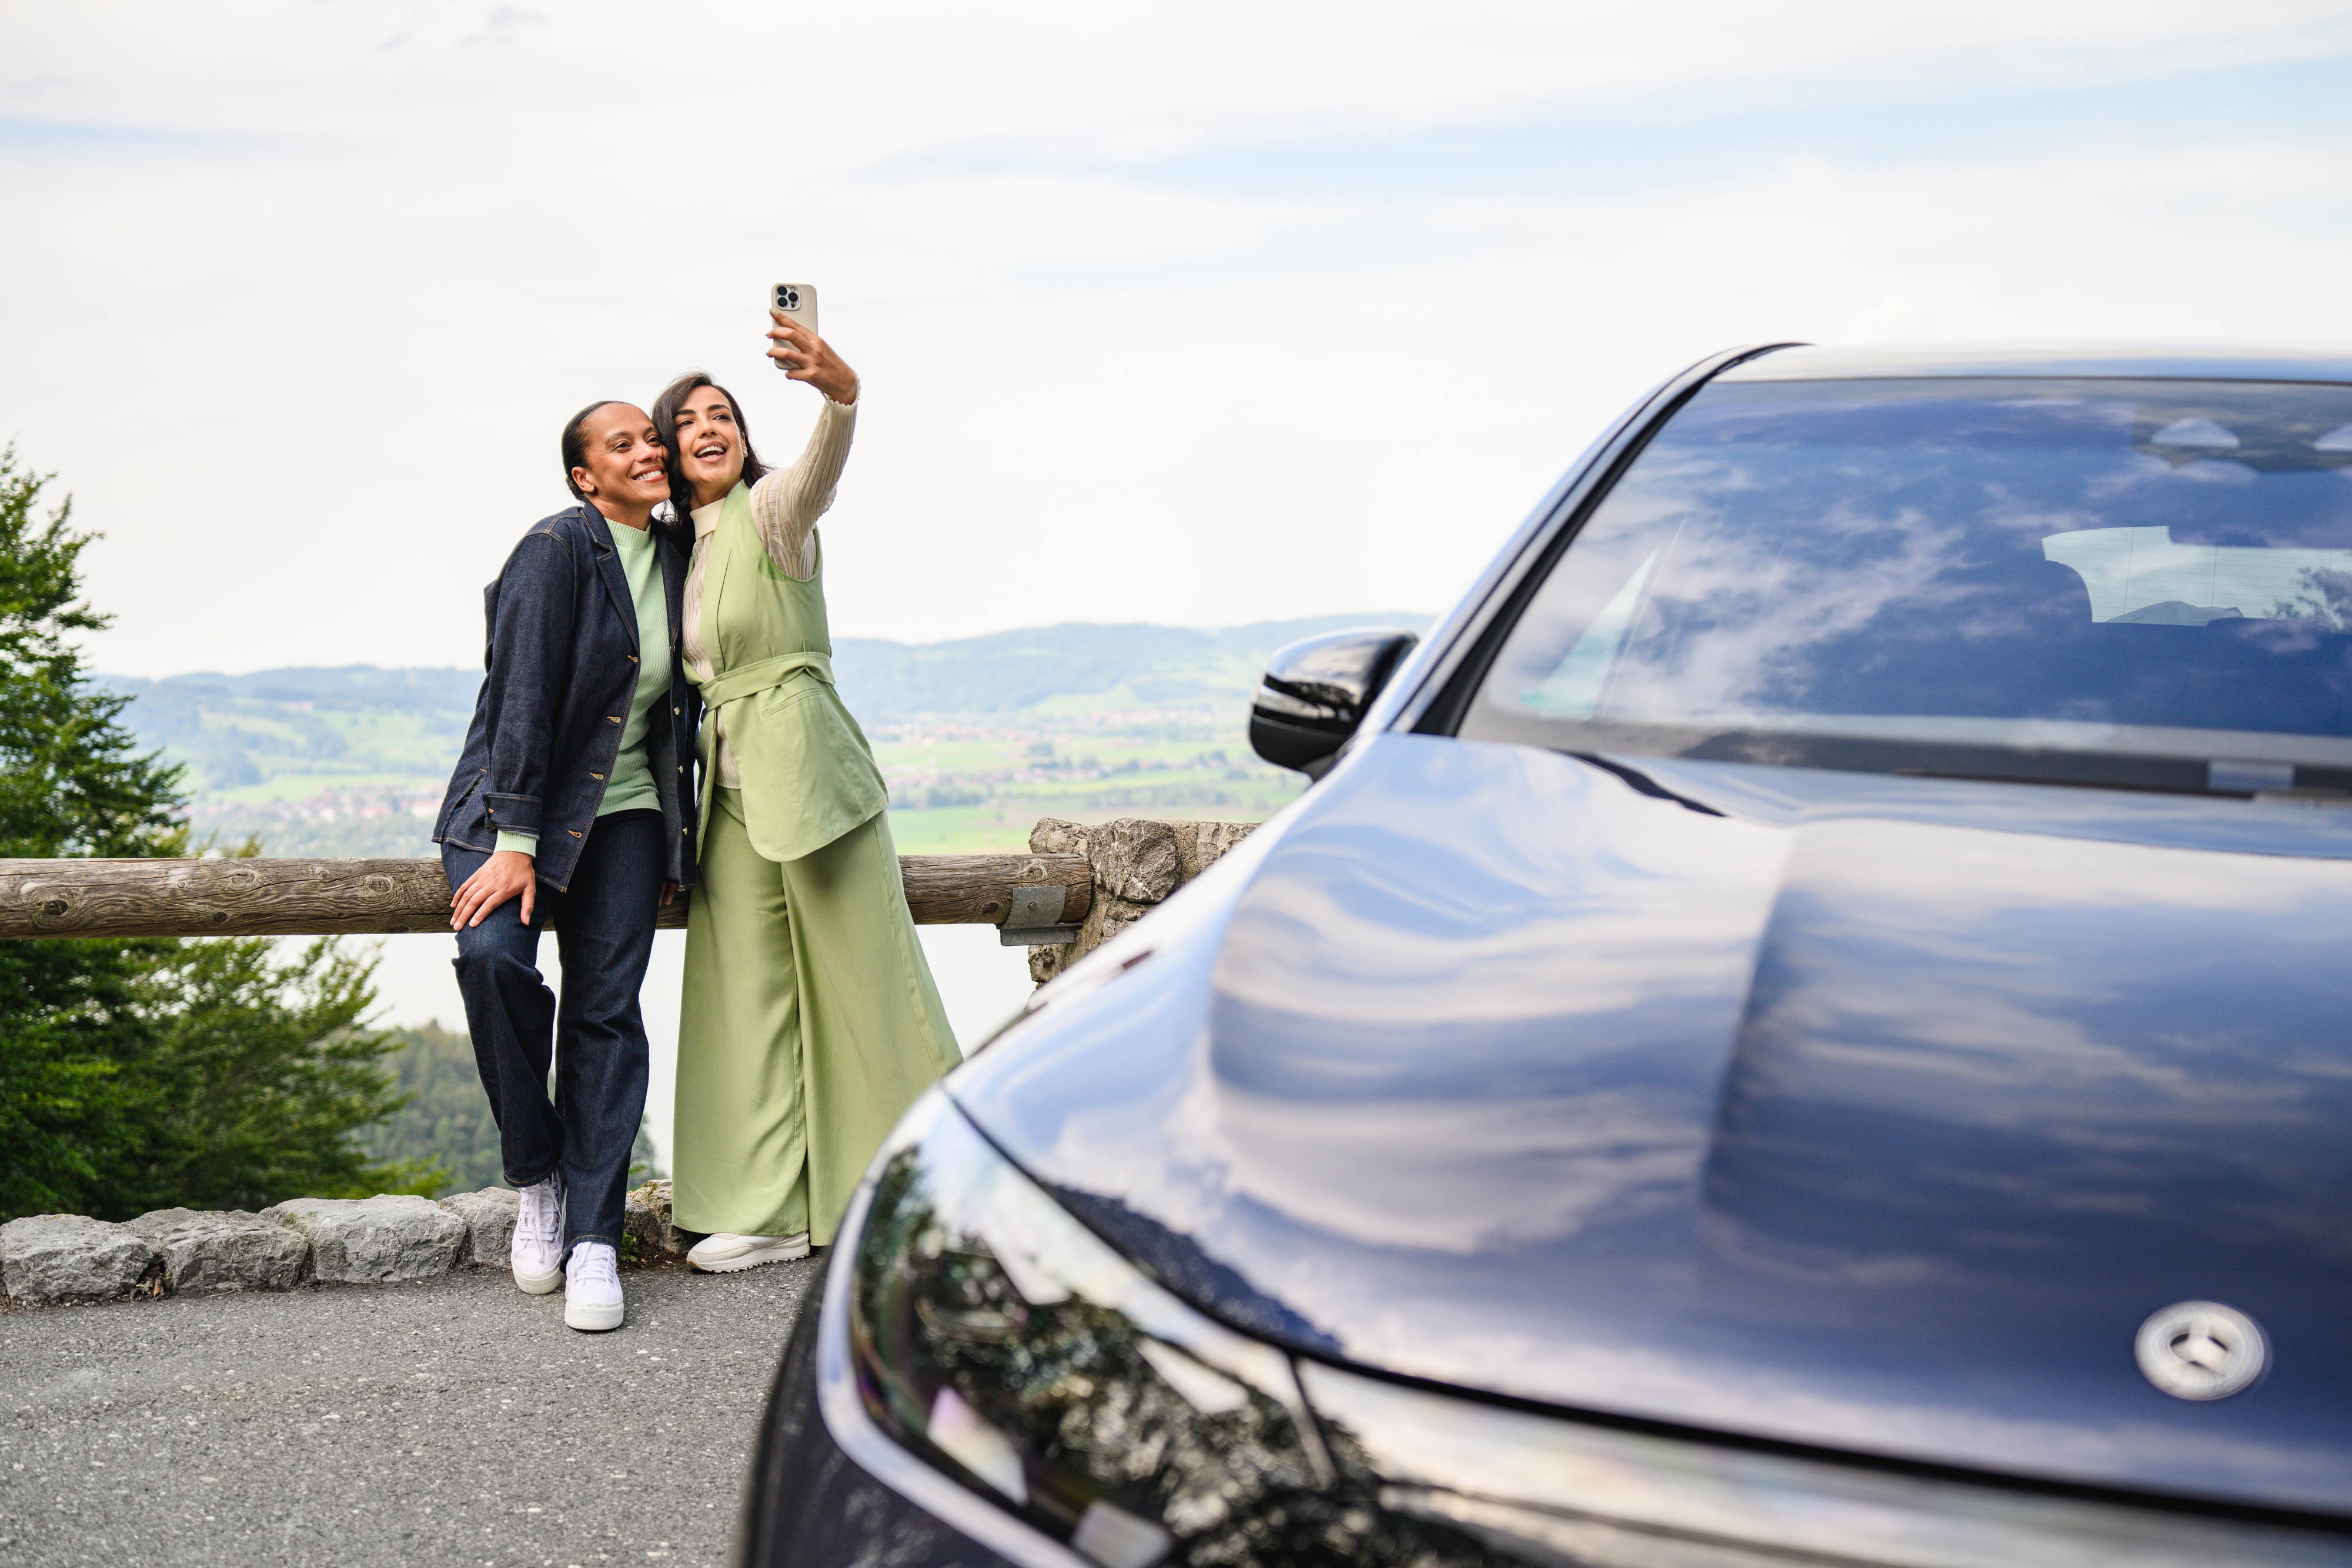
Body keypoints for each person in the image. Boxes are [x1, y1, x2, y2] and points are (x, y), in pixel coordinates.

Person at [653, 310, 959, 1272]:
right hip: (729, 792)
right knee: (744, 998)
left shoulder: (773, 513)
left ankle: (936, 1189)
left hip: (809, 772)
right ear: (668, 449)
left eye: (724, 414)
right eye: (690, 420)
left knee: (868, 983)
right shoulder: (683, 552)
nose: (711, 427)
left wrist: (839, 393)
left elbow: (820, 470)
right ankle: (771, 1210)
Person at [431, 400, 699, 1333]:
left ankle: (592, 1237)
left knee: (604, 1014)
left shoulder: (677, 556)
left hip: (624, 815)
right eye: (621, 444)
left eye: (649, 438)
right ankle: (537, 1175)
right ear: (585, 477)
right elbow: (522, 700)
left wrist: (680, 838)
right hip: (513, 808)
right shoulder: (553, 549)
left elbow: (678, 715)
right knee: (493, 960)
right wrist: (516, 845)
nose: (647, 450)